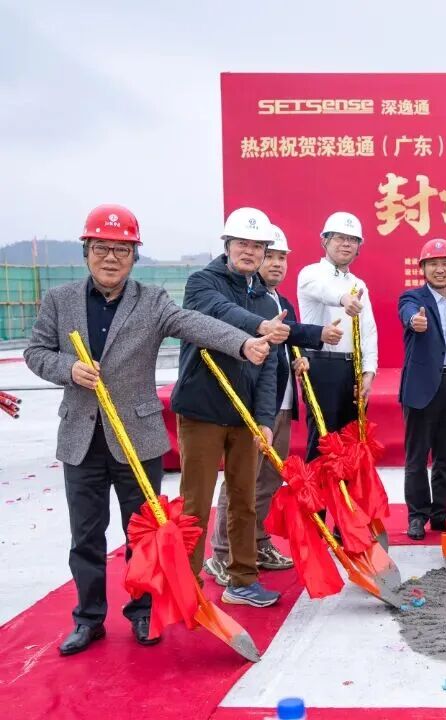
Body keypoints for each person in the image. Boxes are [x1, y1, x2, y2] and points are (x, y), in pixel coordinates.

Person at [24, 204, 271, 655]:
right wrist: (68, 368)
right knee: (86, 536)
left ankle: (143, 612)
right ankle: (88, 618)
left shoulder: (151, 300)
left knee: (144, 535)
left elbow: (193, 324)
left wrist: (243, 343)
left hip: (137, 439)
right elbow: (36, 352)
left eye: (121, 250)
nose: (111, 258)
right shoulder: (60, 300)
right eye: (102, 248)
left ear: (134, 256)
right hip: (82, 438)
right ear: (86, 251)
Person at [204, 224, 342, 585]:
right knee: (240, 481)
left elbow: (289, 336)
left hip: (280, 403)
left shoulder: (281, 302)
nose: (277, 264)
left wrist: (299, 357)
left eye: (282, 257)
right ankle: (222, 553)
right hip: (250, 407)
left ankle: (257, 541)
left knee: (267, 479)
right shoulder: (243, 302)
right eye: (272, 256)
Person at [172, 207, 286, 608]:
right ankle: (186, 587)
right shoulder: (202, 283)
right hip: (202, 411)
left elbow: (270, 366)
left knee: (243, 500)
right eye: (242, 243)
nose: (249, 251)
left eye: (258, 245)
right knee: (195, 504)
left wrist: (265, 420)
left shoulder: (266, 300)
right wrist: (259, 327)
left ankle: (243, 580)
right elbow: (219, 313)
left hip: (245, 418)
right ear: (227, 245)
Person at [398, 239, 446, 540]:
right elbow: (407, 313)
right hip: (420, 387)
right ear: (423, 268)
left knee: (445, 455)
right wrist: (413, 320)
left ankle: (441, 514)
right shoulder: (412, 298)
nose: (440, 269)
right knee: (417, 457)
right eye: (433, 264)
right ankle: (417, 515)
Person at [296, 212, 378, 459]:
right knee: (323, 441)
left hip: (352, 369)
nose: (346, 244)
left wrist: (369, 372)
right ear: (325, 241)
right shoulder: (310, 273)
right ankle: (317, 486)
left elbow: (368, 330)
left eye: (352, 240)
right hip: (321, 367)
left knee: (351, 442)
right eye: (339, 238)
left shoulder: (359, 284)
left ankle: (346, 486)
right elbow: (323, 290)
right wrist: (343, 299)